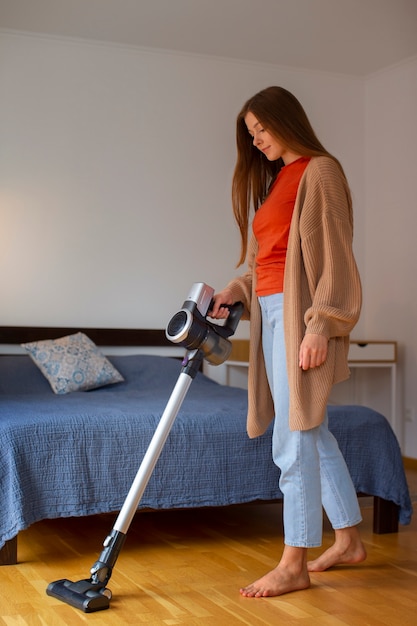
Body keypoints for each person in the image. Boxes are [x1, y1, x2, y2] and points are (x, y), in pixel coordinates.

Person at [209, 86, 367, 598]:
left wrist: (320, 325)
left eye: (262, 129)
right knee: (310, 430)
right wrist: (235, 289)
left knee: (293, 438)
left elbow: (336, 259)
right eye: (250, 134)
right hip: (272, 313)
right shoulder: (277, 181)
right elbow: (267, 264)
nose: (256, 141)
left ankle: (294, 560)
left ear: (287, 120)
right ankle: (347, 539)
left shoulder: (320, 170)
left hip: (301, 315)